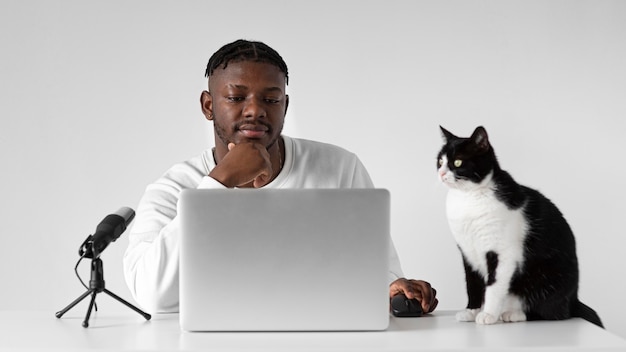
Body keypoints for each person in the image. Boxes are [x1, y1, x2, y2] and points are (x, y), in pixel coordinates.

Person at [123, 39, 438, 314]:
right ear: (208, 106)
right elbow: (151, 295)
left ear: (285, 106)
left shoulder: (340, 166)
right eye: (236, 97)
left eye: (271, 100)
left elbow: (379, 271)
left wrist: (394, 287)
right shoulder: (172, 188)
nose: (255, 110)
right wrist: (220, 181)